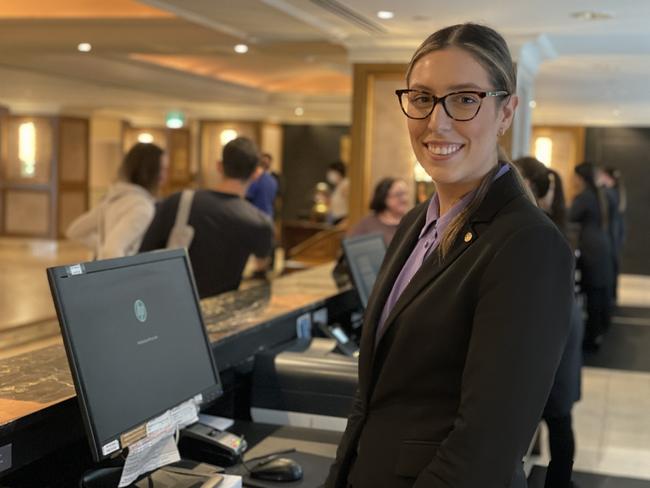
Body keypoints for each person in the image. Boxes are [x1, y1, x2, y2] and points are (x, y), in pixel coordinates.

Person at [324, 23, 574, 488]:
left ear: (505, 112)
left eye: (464, 99)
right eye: (422, 98)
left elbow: (486, 449)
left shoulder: (527, 245)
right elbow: (371, 401)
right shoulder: (415, 223)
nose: (437, 122)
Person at [515, 157, 583, 488]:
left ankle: (560, 482)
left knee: (557, 416)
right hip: (560, 329)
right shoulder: (548, 223)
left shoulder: (536, 228)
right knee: (559, 416)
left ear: (526, 184)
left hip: (553, 335)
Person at [139, 137, 273, 298]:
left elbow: (144, 254)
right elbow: (260, 267)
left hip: (172, 303)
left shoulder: (178, 201)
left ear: (219, 166)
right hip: (221, 313)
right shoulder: (259, 222)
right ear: (256, 173)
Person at [66, 142, 166, 259]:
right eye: (163, 169)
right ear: (151, 172)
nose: (165, 176)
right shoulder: (141, 207)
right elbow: (112, 249)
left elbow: (74, 231)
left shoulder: (114, 199)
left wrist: (101, 247)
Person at [570, 162, 613, 350]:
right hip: (601, 245)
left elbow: (570, 216)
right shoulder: (599, 194)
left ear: (581, 178)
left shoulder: (584, 197)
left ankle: (592, 337)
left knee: (593, 293)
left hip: (590, 248)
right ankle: (596, 334)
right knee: (597, 292)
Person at [347, 177, 411, 246]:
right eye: (399, 194)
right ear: (384, 197)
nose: (405, 199)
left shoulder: (412, 221)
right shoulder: (367, 224)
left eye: (406, 194)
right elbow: (350, 248)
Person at [599, 167, 625, 304]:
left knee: (610, 268)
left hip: (611, 234)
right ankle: (612, 297)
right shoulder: (618, 192)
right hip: (617, 233)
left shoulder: (607, 193)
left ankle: (609, 298)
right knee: (613, 266)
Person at [246, 152, 279, 219]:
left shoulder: (257, 178)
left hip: (255, 216)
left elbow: (248, 197)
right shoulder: (274, 181)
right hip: (269, 216)